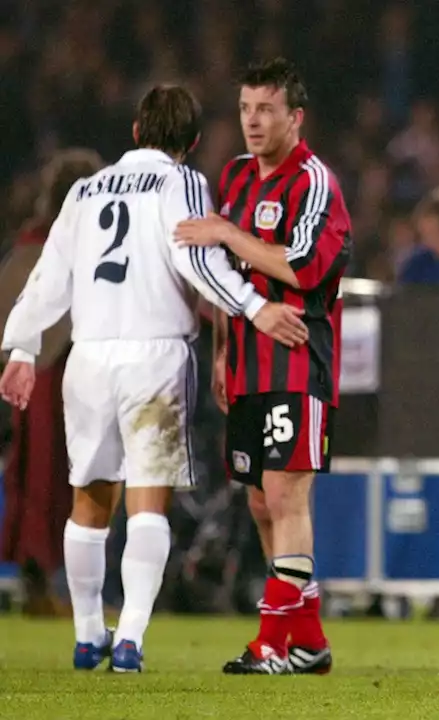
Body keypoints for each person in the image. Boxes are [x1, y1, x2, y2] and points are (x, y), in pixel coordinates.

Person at [0, 84, 307, 673]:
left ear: (136, 133)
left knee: (88, 501)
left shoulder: (85, 190)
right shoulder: (181, 182)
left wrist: (21, 346)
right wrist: (255, 308)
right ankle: (132, 638)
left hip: (87, 358)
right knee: (147, 502)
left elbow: (50, 274)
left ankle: (88, 633)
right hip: (155, 356)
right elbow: (199, 259)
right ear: (190, 143)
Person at [173, 58, 352, 676]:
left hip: (299, 357)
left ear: (294, 117)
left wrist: (224, 229)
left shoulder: (314, 182)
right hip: (247, 361)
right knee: (258, 502)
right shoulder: (237, 177)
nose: (252, 120)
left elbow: (301, 267)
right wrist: (223, 348)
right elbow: (227, 275)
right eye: (246, 108)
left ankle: (272, 644)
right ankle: (309, 642)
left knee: (286, 493)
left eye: (266, 109)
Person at [0, 148, 102, 618]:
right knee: (42, 478)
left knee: (46, 478)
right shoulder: (45, 246)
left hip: (46, 375)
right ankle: (37, 580)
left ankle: (43, 581)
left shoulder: (33, 244)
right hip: (44, 378)